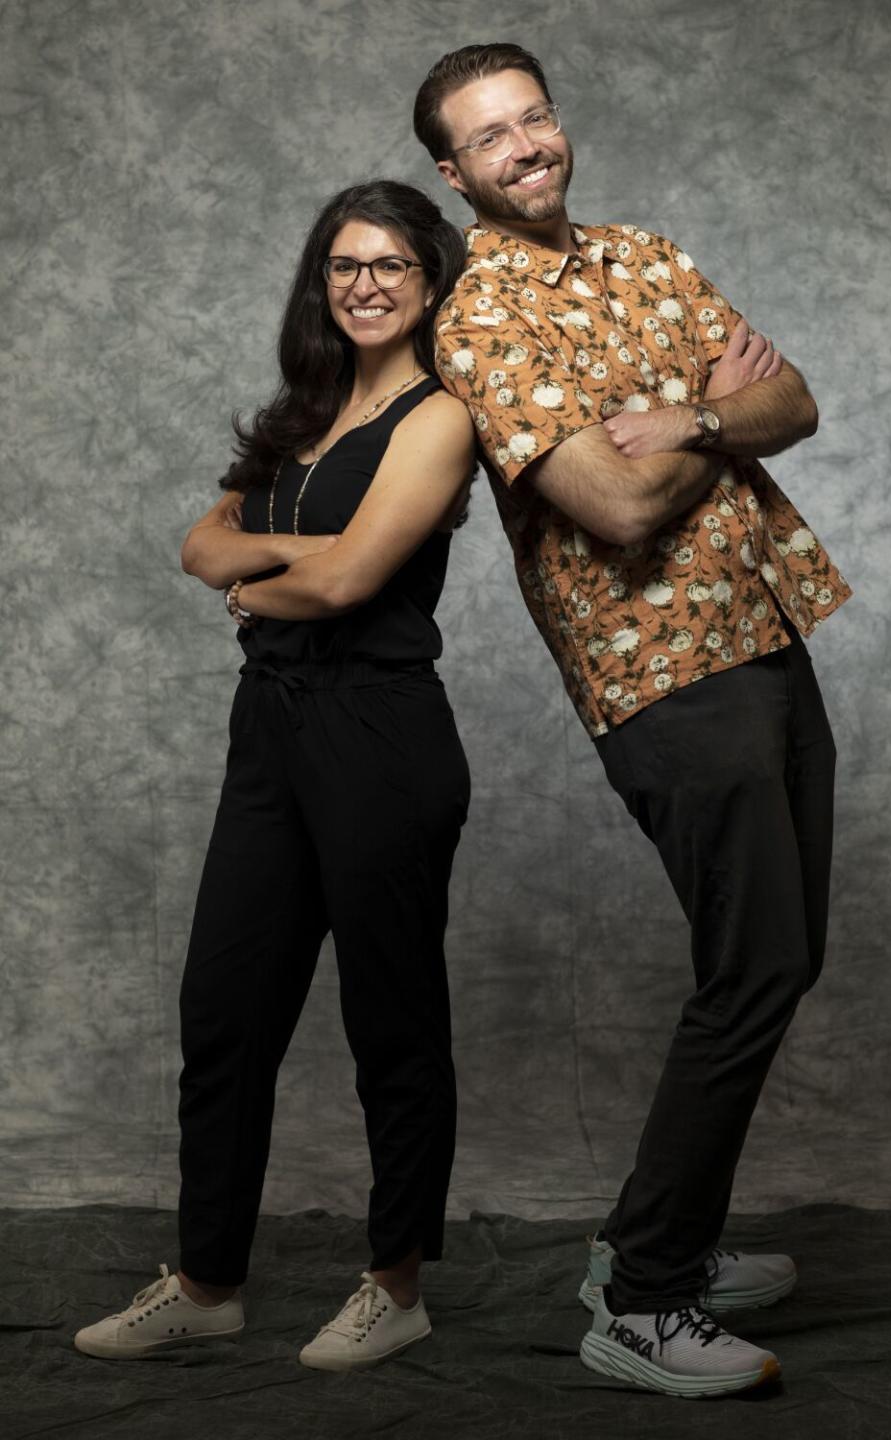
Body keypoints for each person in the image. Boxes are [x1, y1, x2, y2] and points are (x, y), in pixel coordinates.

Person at [413, 44, 851, 1399]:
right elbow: (611, 505)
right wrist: (717, 419)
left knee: (784, 955)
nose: (526, 145)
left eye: (535, 115)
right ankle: (648, 1299)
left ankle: (659, 1244)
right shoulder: (483, 318)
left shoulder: (648, 254)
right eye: (493, 136)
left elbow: (800, 399)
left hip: (767, 625)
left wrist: (688, 418)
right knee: (756, 967)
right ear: (457, 172)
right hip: (663, 678)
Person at [74, 180, 474, 1371]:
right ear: (322, 281)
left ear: (431, 281)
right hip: (274, 730)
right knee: (225, 1010)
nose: (365, 284)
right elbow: (201, 544)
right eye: (345, 265)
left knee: (390, 1022)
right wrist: (293, 556)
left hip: (382, 735)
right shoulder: (302, 414)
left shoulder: (442, 415)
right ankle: (208, 1281)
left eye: (391, 264)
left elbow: (352, 590)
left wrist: (264, 580)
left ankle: (397, 1284)